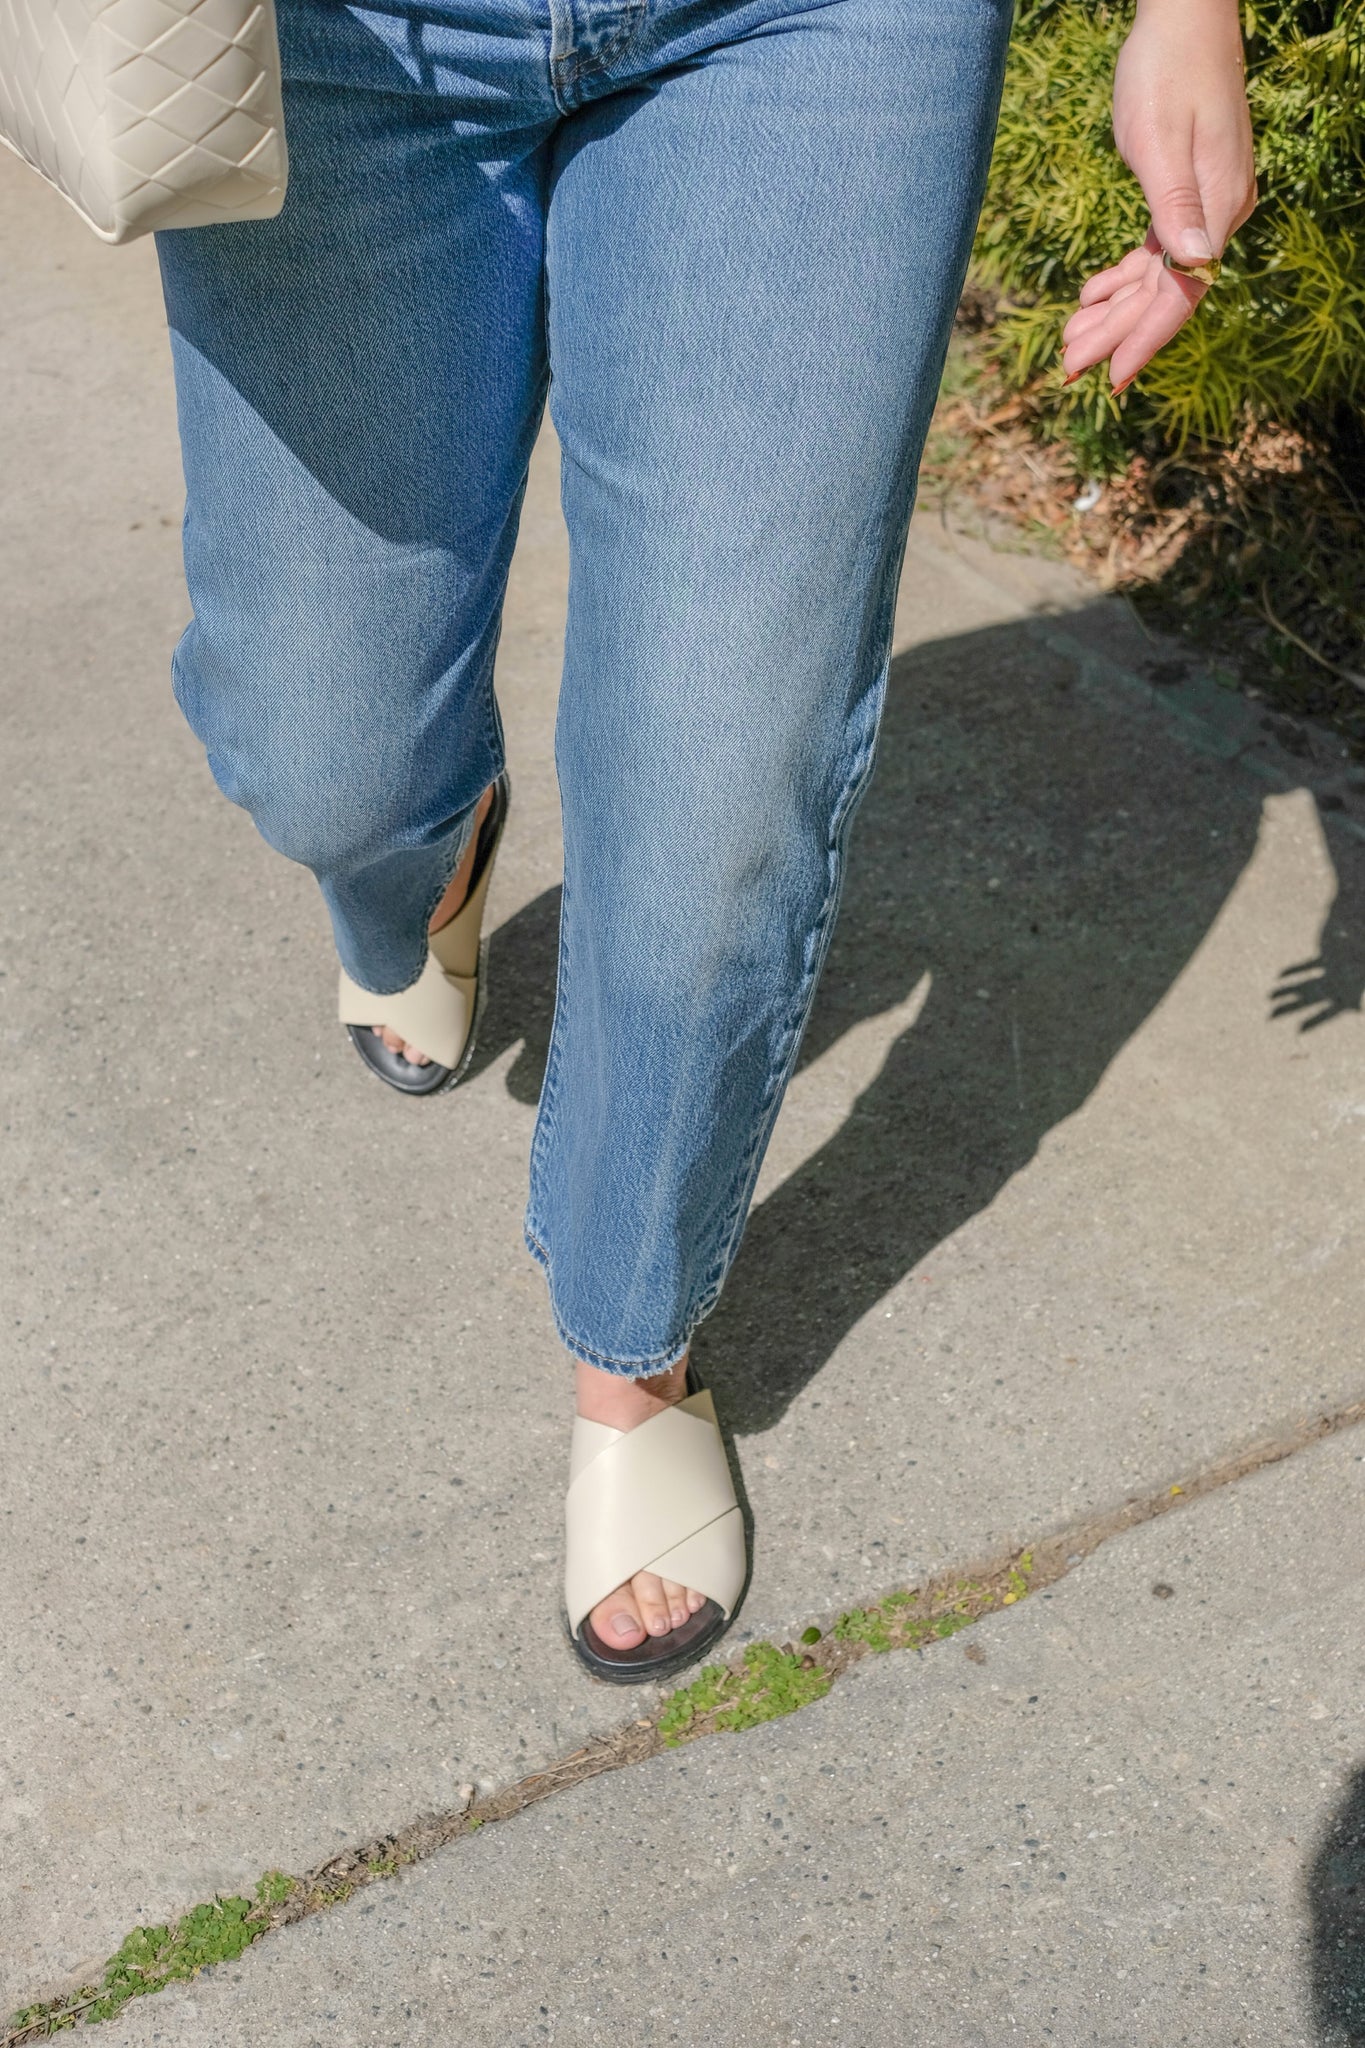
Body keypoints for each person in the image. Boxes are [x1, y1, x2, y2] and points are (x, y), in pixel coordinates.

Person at [153, 0, 1255, 1682]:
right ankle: (421, 858)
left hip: (808, 32)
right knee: (322, 755)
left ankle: (633, 1345)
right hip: (332, 41)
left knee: (718, 811)